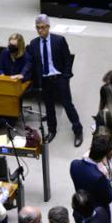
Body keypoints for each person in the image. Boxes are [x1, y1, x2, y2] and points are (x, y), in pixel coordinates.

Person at [26, 14, 83, 145]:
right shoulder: (34, 43)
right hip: (45, 80)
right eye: (37, 28)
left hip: (59, 78)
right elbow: (32, 63)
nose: (40, 30)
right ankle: (52, 130)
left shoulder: (59, 40)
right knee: (49, 107)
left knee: (68, 105)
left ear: (48, 26)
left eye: (42, 27)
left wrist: (66, 76)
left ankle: (78, 130)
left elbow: (67, 59)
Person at [70, 133, 112, 223]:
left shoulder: (74, 164)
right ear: (103, 157)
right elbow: (109, 198)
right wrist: (108, 179)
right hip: (96, 216)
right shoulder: (99, 177)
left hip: (79, 210)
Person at [0, 33, 32, 128]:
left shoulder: (26, 57)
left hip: (18, 85)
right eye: (10, 44)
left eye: (13, 46)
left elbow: (27, 72)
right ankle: (1, 118)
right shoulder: (4, 53)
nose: (10, 47)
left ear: (19, 47)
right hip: (5, 83)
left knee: (11, 120)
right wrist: (2, 74)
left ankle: (11, 118)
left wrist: (21, 76)